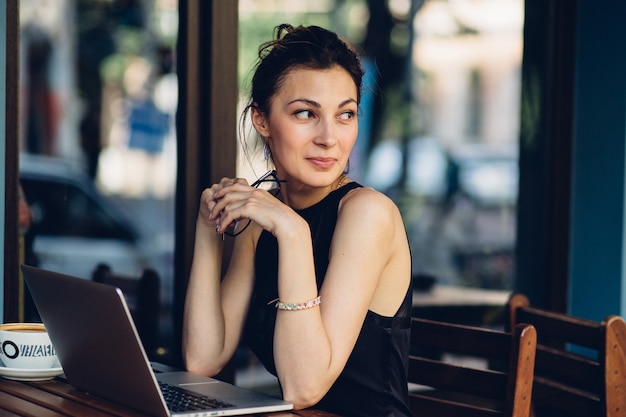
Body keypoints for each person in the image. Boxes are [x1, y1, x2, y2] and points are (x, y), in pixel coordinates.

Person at [183, 24, 412, 417]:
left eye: (345, 115)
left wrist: (292, 231)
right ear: (262, 120)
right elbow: (204, 360)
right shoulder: (262, 221)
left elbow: (303, 386)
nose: (329, 137)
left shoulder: (367, 213)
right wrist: (208, 227)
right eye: (306, 113)